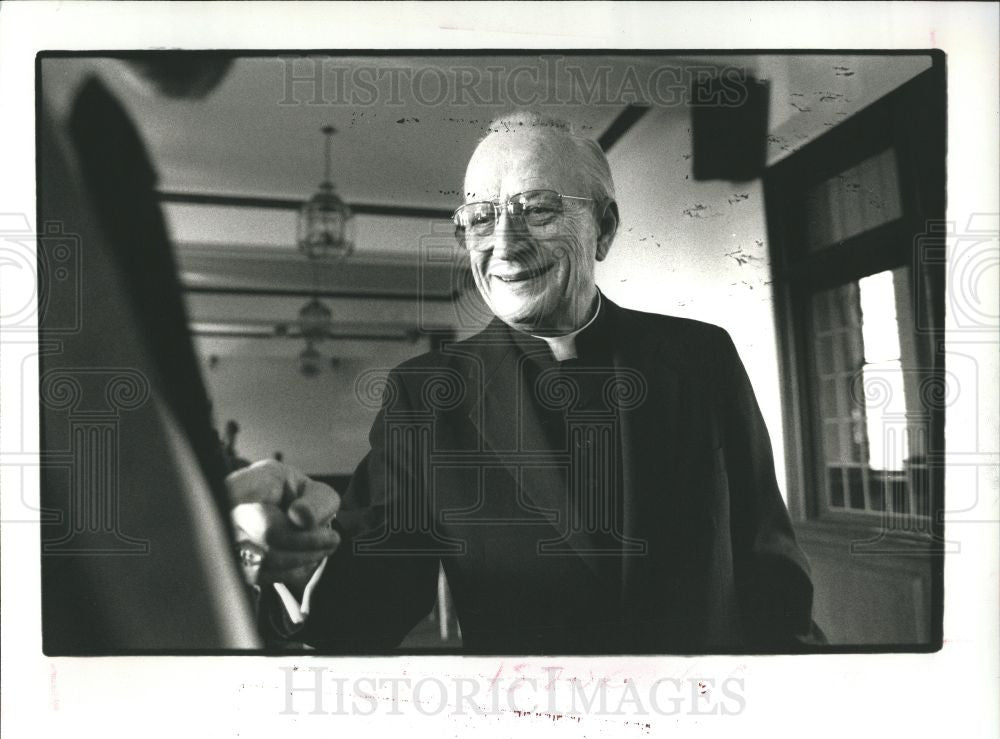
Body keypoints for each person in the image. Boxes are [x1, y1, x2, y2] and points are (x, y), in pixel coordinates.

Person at [229, 111, 821, 653]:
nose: (505, 245)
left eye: (537, 210)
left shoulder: (699, 357)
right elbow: (367, 605)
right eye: (480, 219)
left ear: (604, 227)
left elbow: (769, 569)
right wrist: (299, 566)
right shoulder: (426, 397)